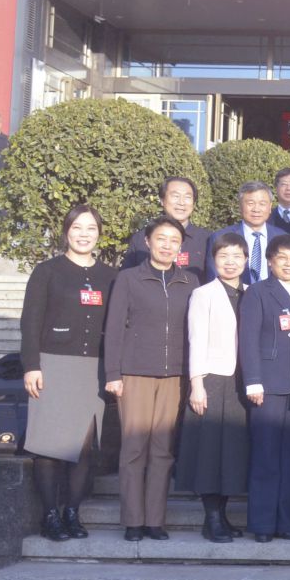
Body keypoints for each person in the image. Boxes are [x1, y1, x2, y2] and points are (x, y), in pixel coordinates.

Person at [20, 205, 116, 542]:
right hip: (53, 364)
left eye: (91, 228)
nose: (84, 234)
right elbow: (30, 322)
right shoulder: (47, 271)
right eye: (77, 227)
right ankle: (50, 515)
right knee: (48, 445)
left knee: (84, 446)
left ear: (99, 234)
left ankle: (72, 512)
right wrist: (31, 365)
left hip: (93, 369)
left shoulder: (110, 276)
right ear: (66, 231)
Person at [104, 215, 200, 541]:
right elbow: (114, 329)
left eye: (174, 240)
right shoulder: (129, 279)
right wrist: (113, 373)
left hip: (175, 375)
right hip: (135, 373)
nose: (167, 246)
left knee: (163, 450)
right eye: (161, 239)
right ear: (147, 242)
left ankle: (155, 520)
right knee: (134, 448)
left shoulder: (190, 282)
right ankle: (133, 520)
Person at [177, 232, 251, 543]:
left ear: (246, 260)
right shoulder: (203, 294)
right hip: (212, 378)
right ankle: (211, 518)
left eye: (236, 256)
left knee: (231, 451)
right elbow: (196, 339)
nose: (230, 262)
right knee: (209, 451)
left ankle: (223, 514)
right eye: (223, 257)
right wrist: (197, 384)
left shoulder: (251, 292)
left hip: (242, 381)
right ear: (213, 260)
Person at [239, 234, 290, 542]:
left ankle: (288, 521)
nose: (289, 264)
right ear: (270, 261)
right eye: (282, 258)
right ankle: (263, 524)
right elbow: (248, 339)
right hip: (267, 384)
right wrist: (253, 380)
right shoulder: (258, 293)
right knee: (266, 456)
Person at [122, 177, 211, 281]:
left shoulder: (206, 239)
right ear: (162, 200)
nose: (181, 202)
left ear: (193, 203)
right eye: (175, 196)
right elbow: (126, 279)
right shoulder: (141, 238)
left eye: (187, 197)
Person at [209, 181, 285, 284]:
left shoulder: (282, 237)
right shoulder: (220, 237)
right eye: (250, 203)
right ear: (240, 206)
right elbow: (213, 276)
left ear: (270, 207)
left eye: (262, 204)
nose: (256, 209)